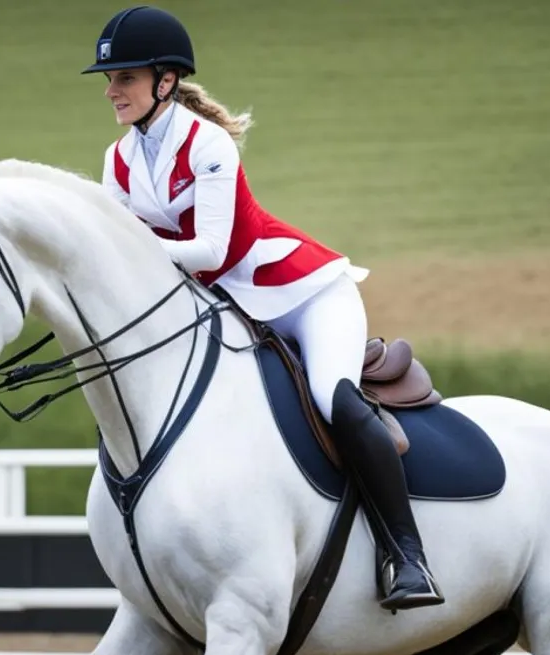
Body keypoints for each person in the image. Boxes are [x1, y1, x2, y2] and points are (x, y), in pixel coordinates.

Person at [82, 5, 443, 611]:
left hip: (302, 295)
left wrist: (129, 249)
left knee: (335, 399)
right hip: (228, 305)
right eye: (110, 80)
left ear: (165, 81)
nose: (113, 91)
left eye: (125, 78)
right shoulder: (117, 160)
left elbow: (210, 250)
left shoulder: (209, 143)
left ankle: (406, 556)